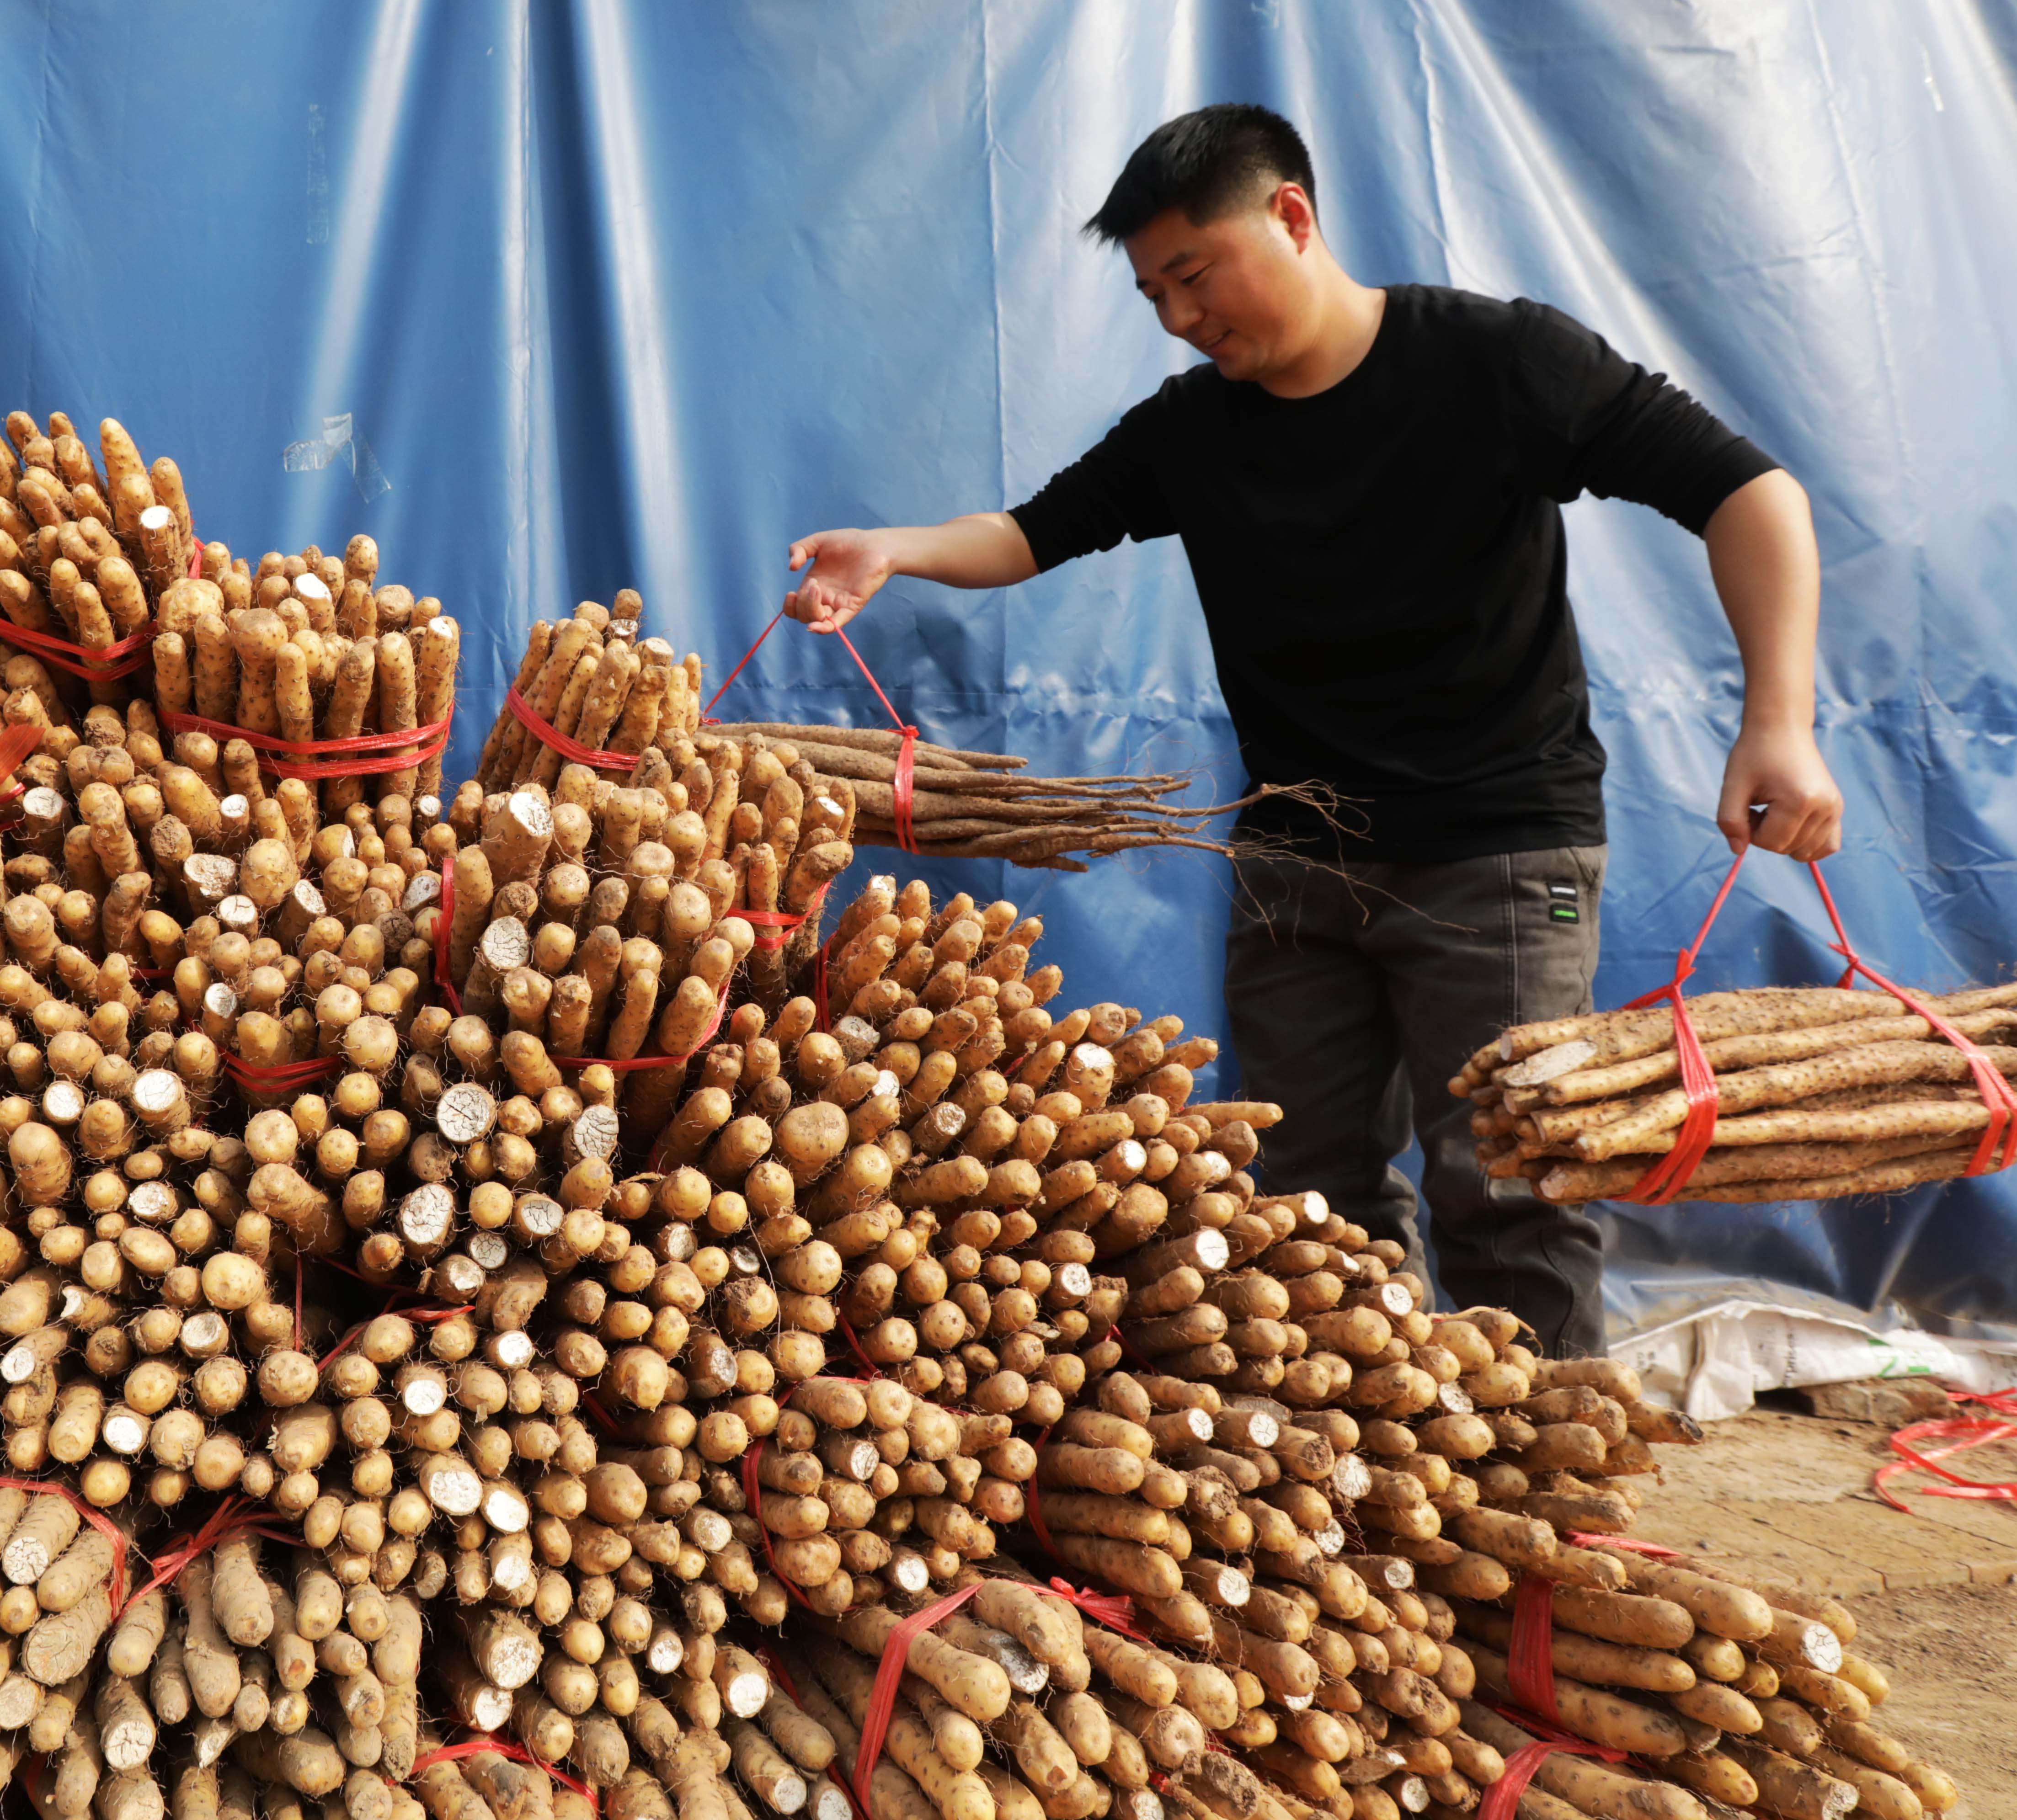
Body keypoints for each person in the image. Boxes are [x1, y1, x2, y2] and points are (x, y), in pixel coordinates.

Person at [781, 105, 1840, 1356]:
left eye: (1194, 273)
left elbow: (1748, 492)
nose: (1179, 315)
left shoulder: (1500, 363)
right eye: (1152, 293)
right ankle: (1370, 1478)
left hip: (1498, 854)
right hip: (1293, 864)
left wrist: (1778, 721)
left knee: (1510, 1185)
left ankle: (1555, 1493)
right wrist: (894, 550)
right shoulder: (1193, 430)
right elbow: (1031, 533)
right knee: (1302, 1195)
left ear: (1290, 215)